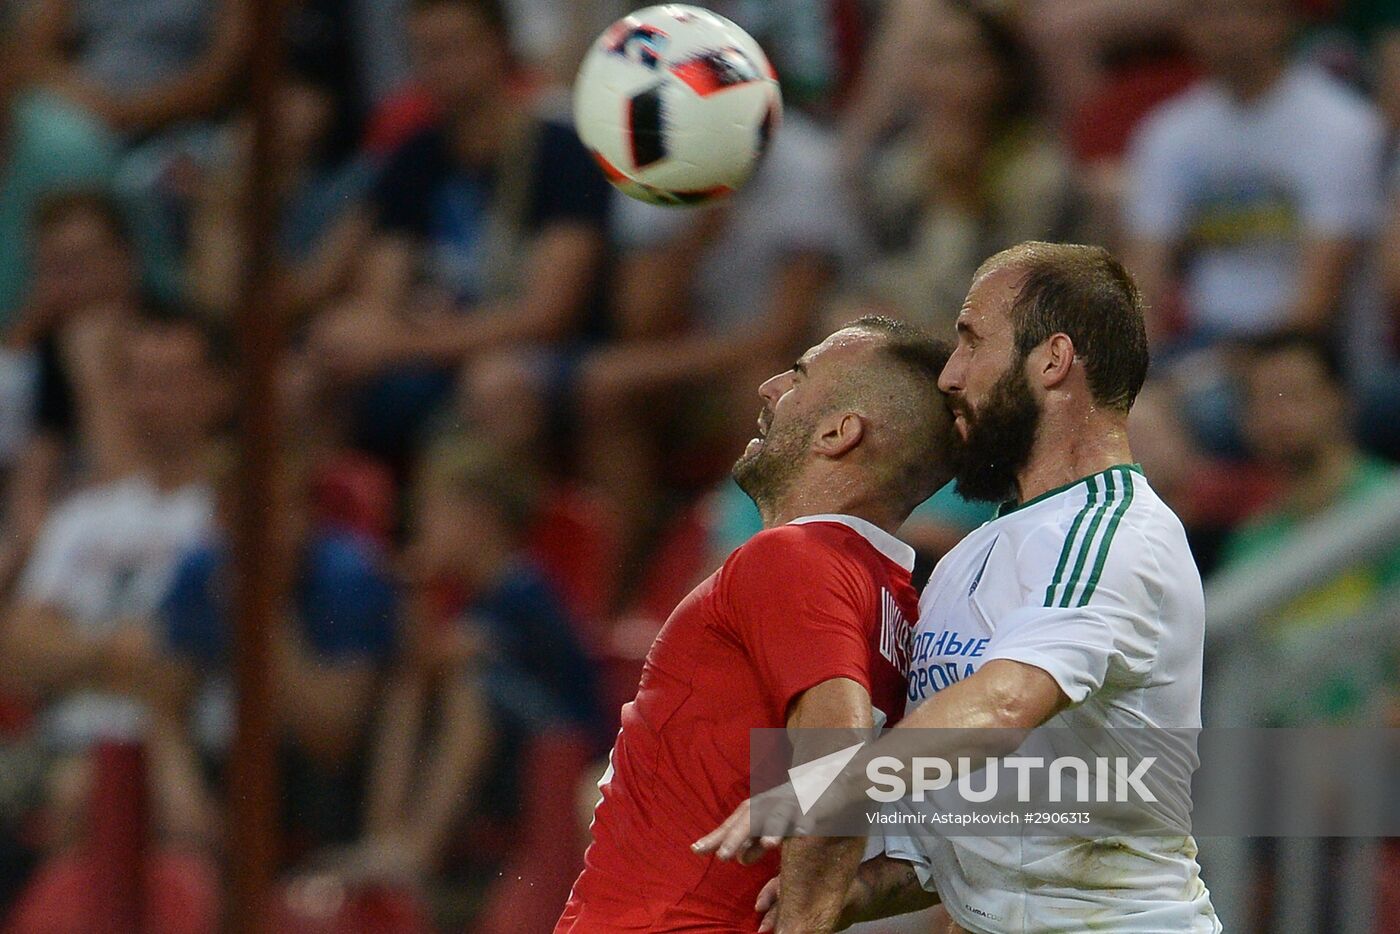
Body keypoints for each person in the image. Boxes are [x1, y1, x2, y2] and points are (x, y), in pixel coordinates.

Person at [699, 243, 1219, 933]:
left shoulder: (1114, 535)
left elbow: (1005, 706)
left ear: (1053, 360)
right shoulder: (975, 555)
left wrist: (834, 781)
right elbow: (960, 833)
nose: (949, 376)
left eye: (972, 341)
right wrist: (863, 891)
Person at [556, 317, 955, 933]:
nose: (768, 388)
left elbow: (835, 739)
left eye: (798, 378)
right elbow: (933, 839)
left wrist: (803, 923)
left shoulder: (793, 559)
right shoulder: (900, 612)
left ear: (839, 432)